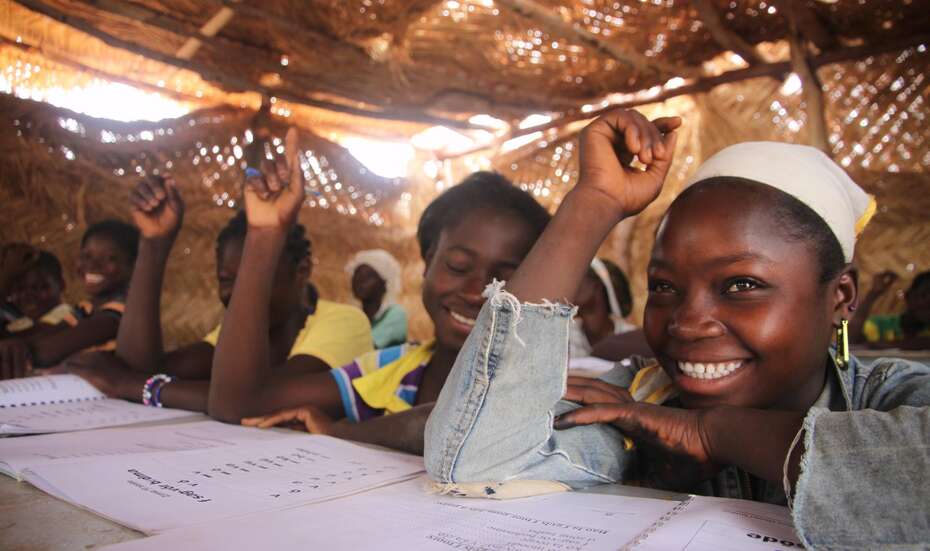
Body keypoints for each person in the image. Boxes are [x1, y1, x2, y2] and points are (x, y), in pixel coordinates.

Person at [424, 109, 929, 548]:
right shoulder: (643, 395)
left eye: (741, 284)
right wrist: (595, 200)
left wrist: (712, 434)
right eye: (664, 287)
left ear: (840, 297)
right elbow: (478, 463)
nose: (686, 323)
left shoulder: (893, 397)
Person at [210, 163, 549, 455]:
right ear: (429, 261)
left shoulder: (542, 384)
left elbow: (464, 422)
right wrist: (265, 234)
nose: (477, 292)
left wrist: (342, 432)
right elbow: (240, 405)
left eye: (506, 279)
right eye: (458, 266)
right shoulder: (391, 368)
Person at [60, 168, 373, 412]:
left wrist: (132, 385)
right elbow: (146, 368)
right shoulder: (236, 331)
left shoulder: (344, 322)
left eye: (256, 278)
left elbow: (256, 399)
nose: (240, 294)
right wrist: (154, 244)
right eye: (226, 280)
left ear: (301, 270)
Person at [0, 220, 137, 379]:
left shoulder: (121, 311)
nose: (93, 265)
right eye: (86, 256)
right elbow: (42, 334)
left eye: (110, 258)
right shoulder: (85, 308)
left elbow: (49, 350)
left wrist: (17, 351)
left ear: (134, 266)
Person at [850, 270, 930, 349]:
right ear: (908, 297)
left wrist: (883, 345)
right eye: (923, 295)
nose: (927, 302)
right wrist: (873, 295)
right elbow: (851, 339)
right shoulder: (878, 325)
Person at [345, 249, 408, 348]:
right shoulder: (353, 317)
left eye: (368, 277)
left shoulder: (396, 314)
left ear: (384, 284)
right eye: (356, 275)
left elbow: (365, 346)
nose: (359, 282)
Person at [4, 250, 75, 336]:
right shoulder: (18, 325)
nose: (26, 296)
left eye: (37, 287)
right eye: (19, 289)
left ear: (61, 284)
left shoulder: (72, 320)